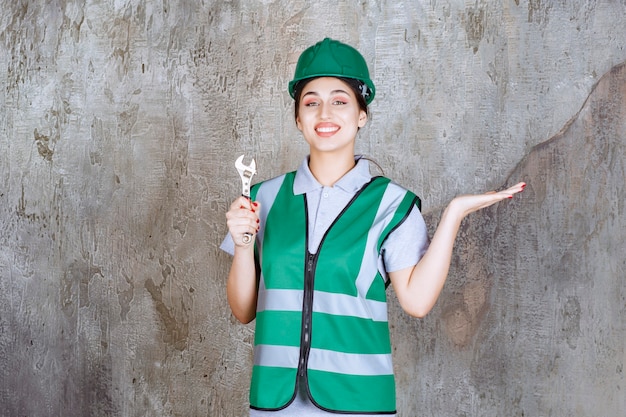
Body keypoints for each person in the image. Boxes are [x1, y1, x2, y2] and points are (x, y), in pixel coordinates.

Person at [221, 38, 525, 416]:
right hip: (273, 404)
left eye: (340, 100)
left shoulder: (391, 204)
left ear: (362, 114)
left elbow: (416, 301)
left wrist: (454, 215)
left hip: (358, 403)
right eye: (311, 102)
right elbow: (243, 309)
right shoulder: (261, 199)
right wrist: (242, 243)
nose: (324, 112)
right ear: (298, 118)